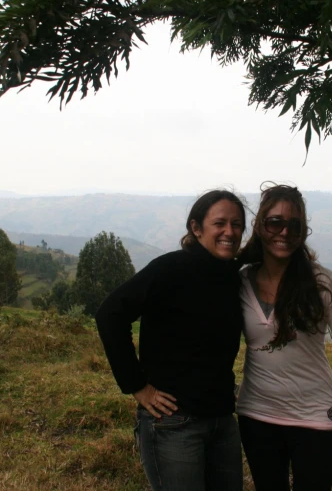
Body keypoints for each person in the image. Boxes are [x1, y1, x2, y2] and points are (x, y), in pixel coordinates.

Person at [95, 190, 247, 491]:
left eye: (237, 224)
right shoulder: (171, 269)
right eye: (219, 223)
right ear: (196, 228)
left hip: (222, 419)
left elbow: (262, 252)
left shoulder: (230, 272)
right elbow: (110, 313)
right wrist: (137, 386)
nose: (229, 232)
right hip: (174, 423)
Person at [236, 184, 332, 491]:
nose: (284, 232)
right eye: (275, 222)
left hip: (315, 418)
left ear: (303, 232)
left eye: (295, 225)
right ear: (260, 225)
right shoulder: (242, 281)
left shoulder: (321, 282)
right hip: (256, 416)